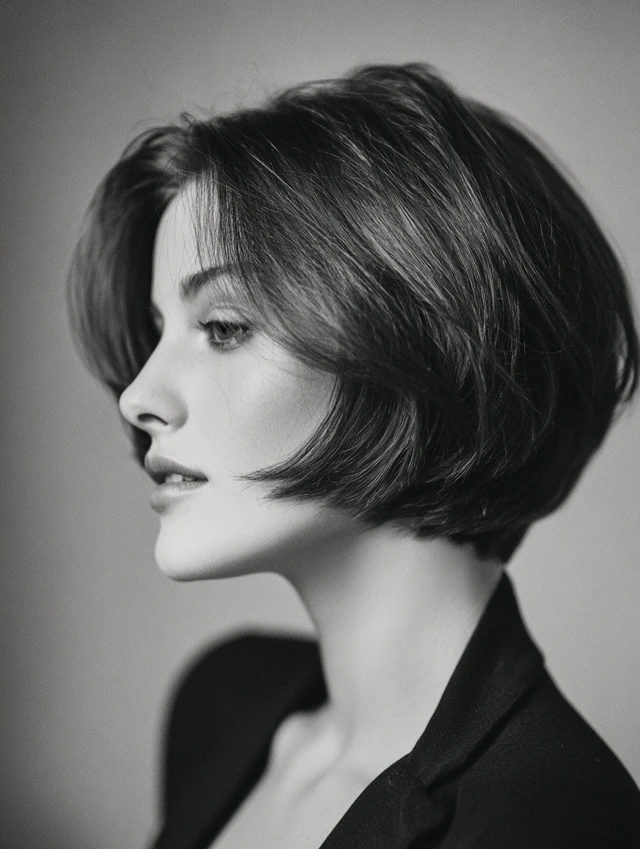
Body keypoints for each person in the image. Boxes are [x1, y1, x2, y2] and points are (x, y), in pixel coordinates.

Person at [67, 62, 640, 848]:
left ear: (427, 348)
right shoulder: (223, 703)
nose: (138, 395)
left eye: (225, 327)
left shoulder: (554, 819)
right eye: (159, 328)